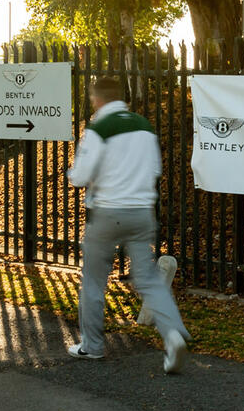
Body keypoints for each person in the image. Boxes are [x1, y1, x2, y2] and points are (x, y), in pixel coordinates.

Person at [66, 75, 191, 373]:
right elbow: (155, 169)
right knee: (147, 277)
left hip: (107, 212)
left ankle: (92, 346)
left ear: (98, 99)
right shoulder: (144, 126)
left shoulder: (98, 129)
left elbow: (80, 177)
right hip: (141, 211)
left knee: (94, 280)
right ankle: (173, 335)